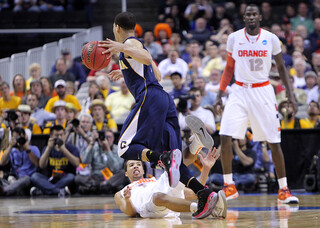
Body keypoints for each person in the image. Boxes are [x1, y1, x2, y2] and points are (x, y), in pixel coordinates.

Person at [98, 11, 218, 218]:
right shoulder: (133, 47)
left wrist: (122, 49)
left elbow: (146, 57)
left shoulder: (130, 43)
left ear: (116, 28)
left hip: (150, 98)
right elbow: (158, 74)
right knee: (176, 164)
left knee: (125, 148)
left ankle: (163, 157)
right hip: (163, 99)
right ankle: (203, 193)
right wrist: (127, 72)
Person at [214, 4, 299, 204]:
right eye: (248, 14)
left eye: (254, 14)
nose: (251, 17)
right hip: (239, 90)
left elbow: (281, 67)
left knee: (273, 141)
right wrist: (220, 94)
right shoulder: (234, 38)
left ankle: (284, 190)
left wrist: (290, 96)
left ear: (260, 16)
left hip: (263, 91)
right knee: (224, 135)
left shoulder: (270, 38)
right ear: (244, 18)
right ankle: (229, 186)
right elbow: (228, 68)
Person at [115, 147, 227, 218]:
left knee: (176, 166)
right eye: (131, 165)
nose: (136, 166)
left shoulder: (155, 180)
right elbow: (131, 213)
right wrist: (128, 199)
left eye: (138, 164)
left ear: (143, 170)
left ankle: (197, 143)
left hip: (164, 199)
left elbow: (193, 193)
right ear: (126, 173)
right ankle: (205, 208)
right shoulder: (122, 192)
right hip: (147, 208)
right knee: (158, 196)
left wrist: (206, 168)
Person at [30, 125, 80, 196]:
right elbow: (41, 165)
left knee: (71, 177)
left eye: (61, 135)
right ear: (51, 136)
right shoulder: (47, 148)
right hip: (49, 179)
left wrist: (64, 150)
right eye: (56, 135)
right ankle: (59, 191)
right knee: (35, 176)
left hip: (65, 178)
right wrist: (48, 148)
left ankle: (46, 190)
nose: (59, 138)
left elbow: (77, 163)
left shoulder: (72, 148)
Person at [75, 129, 124, 194]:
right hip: (95, 177)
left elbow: (116, 168)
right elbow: (84, 161)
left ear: (113, 139)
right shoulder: (95, 148)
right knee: (78, 178)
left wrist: (108, 150)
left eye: (110, 137)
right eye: (105, 137)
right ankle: (101, 186)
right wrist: (92, 142)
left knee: (123, 173)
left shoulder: (118, 149)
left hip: (111, 177)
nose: (107, 139)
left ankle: (98, 187)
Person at [0, 127, 40, 196]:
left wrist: (27, 149)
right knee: (4, 180)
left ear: (25, 137)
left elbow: (37, 163)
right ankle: (13, 190)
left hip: (27, 179)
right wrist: (10, 146)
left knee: (26, 179)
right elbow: (2, 163)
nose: (18, 140)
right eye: (16, 137)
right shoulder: (12, 150)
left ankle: (5, 190)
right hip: (13, 179)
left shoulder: (33, 148)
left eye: (20, 137)